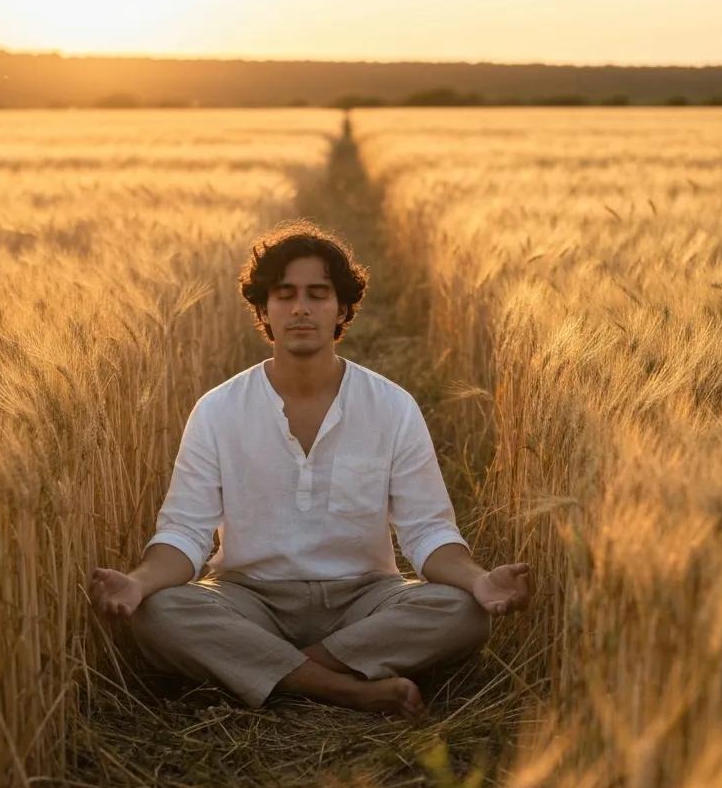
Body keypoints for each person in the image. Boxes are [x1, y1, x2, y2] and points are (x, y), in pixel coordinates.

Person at [89, 220, 532, 720]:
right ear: (264, 309)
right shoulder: (218, 410)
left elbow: (427, 532)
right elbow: (185, 534)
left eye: (318, 294)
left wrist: (478, 582)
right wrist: (138, 583)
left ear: (342, 309)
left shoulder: (391, 406)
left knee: (464, 613)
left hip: (365, 598)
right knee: (161, 612)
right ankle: (347, 688)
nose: (301, 308)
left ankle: (278, 674)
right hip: (247, 597)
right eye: (285, 294)